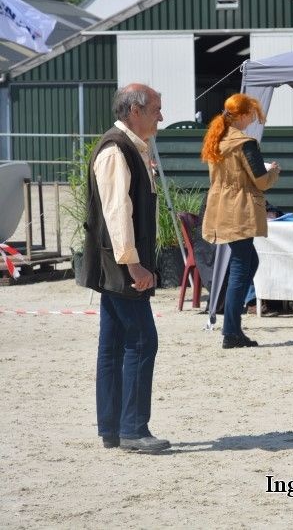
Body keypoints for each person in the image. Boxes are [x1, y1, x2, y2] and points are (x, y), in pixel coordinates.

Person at [78, 83, 170, 452]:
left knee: (113, 344)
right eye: (156, 109)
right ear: (134, 111)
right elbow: (118, 214)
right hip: (122, 265)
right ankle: (132, 428)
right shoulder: (116, 149)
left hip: (116, 263)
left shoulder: (130, 147)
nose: (161, 116)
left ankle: (113, 428)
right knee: (142, 340)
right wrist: (134, 266)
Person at [201, 93, 281, 349]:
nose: (253, 121)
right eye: (252, 116)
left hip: (220, 207)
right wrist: (274, 172)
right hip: (240, 209)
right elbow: (261, 181)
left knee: (248, 263)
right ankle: (231, 331)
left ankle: (232, 327)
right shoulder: (245, 143)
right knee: (240, 267)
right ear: (243, 115)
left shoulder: (217, 137)